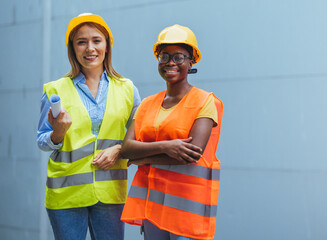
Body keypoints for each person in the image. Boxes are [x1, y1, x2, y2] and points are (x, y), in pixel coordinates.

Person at [37, 13, 141, 240]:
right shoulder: (55, 90)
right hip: (66, 195)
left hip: (110, 193)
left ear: (107, 45)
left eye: (96, 40)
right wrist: (57, 134)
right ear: (72, 48)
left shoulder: (127, 89)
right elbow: (42, 140)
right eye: (81, 42)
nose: (90, 48)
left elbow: (140, 137)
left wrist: (118, 149)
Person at [120, 24, 223, 240]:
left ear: (191, 61)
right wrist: (168, 146)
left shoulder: (205, 102)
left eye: (179, 57)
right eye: (164, 56)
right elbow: (127, 149)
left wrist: (145, 157)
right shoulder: (147, 104)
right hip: (153, 211)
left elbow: (191, 154)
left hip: (186, 212)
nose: (171, 63)